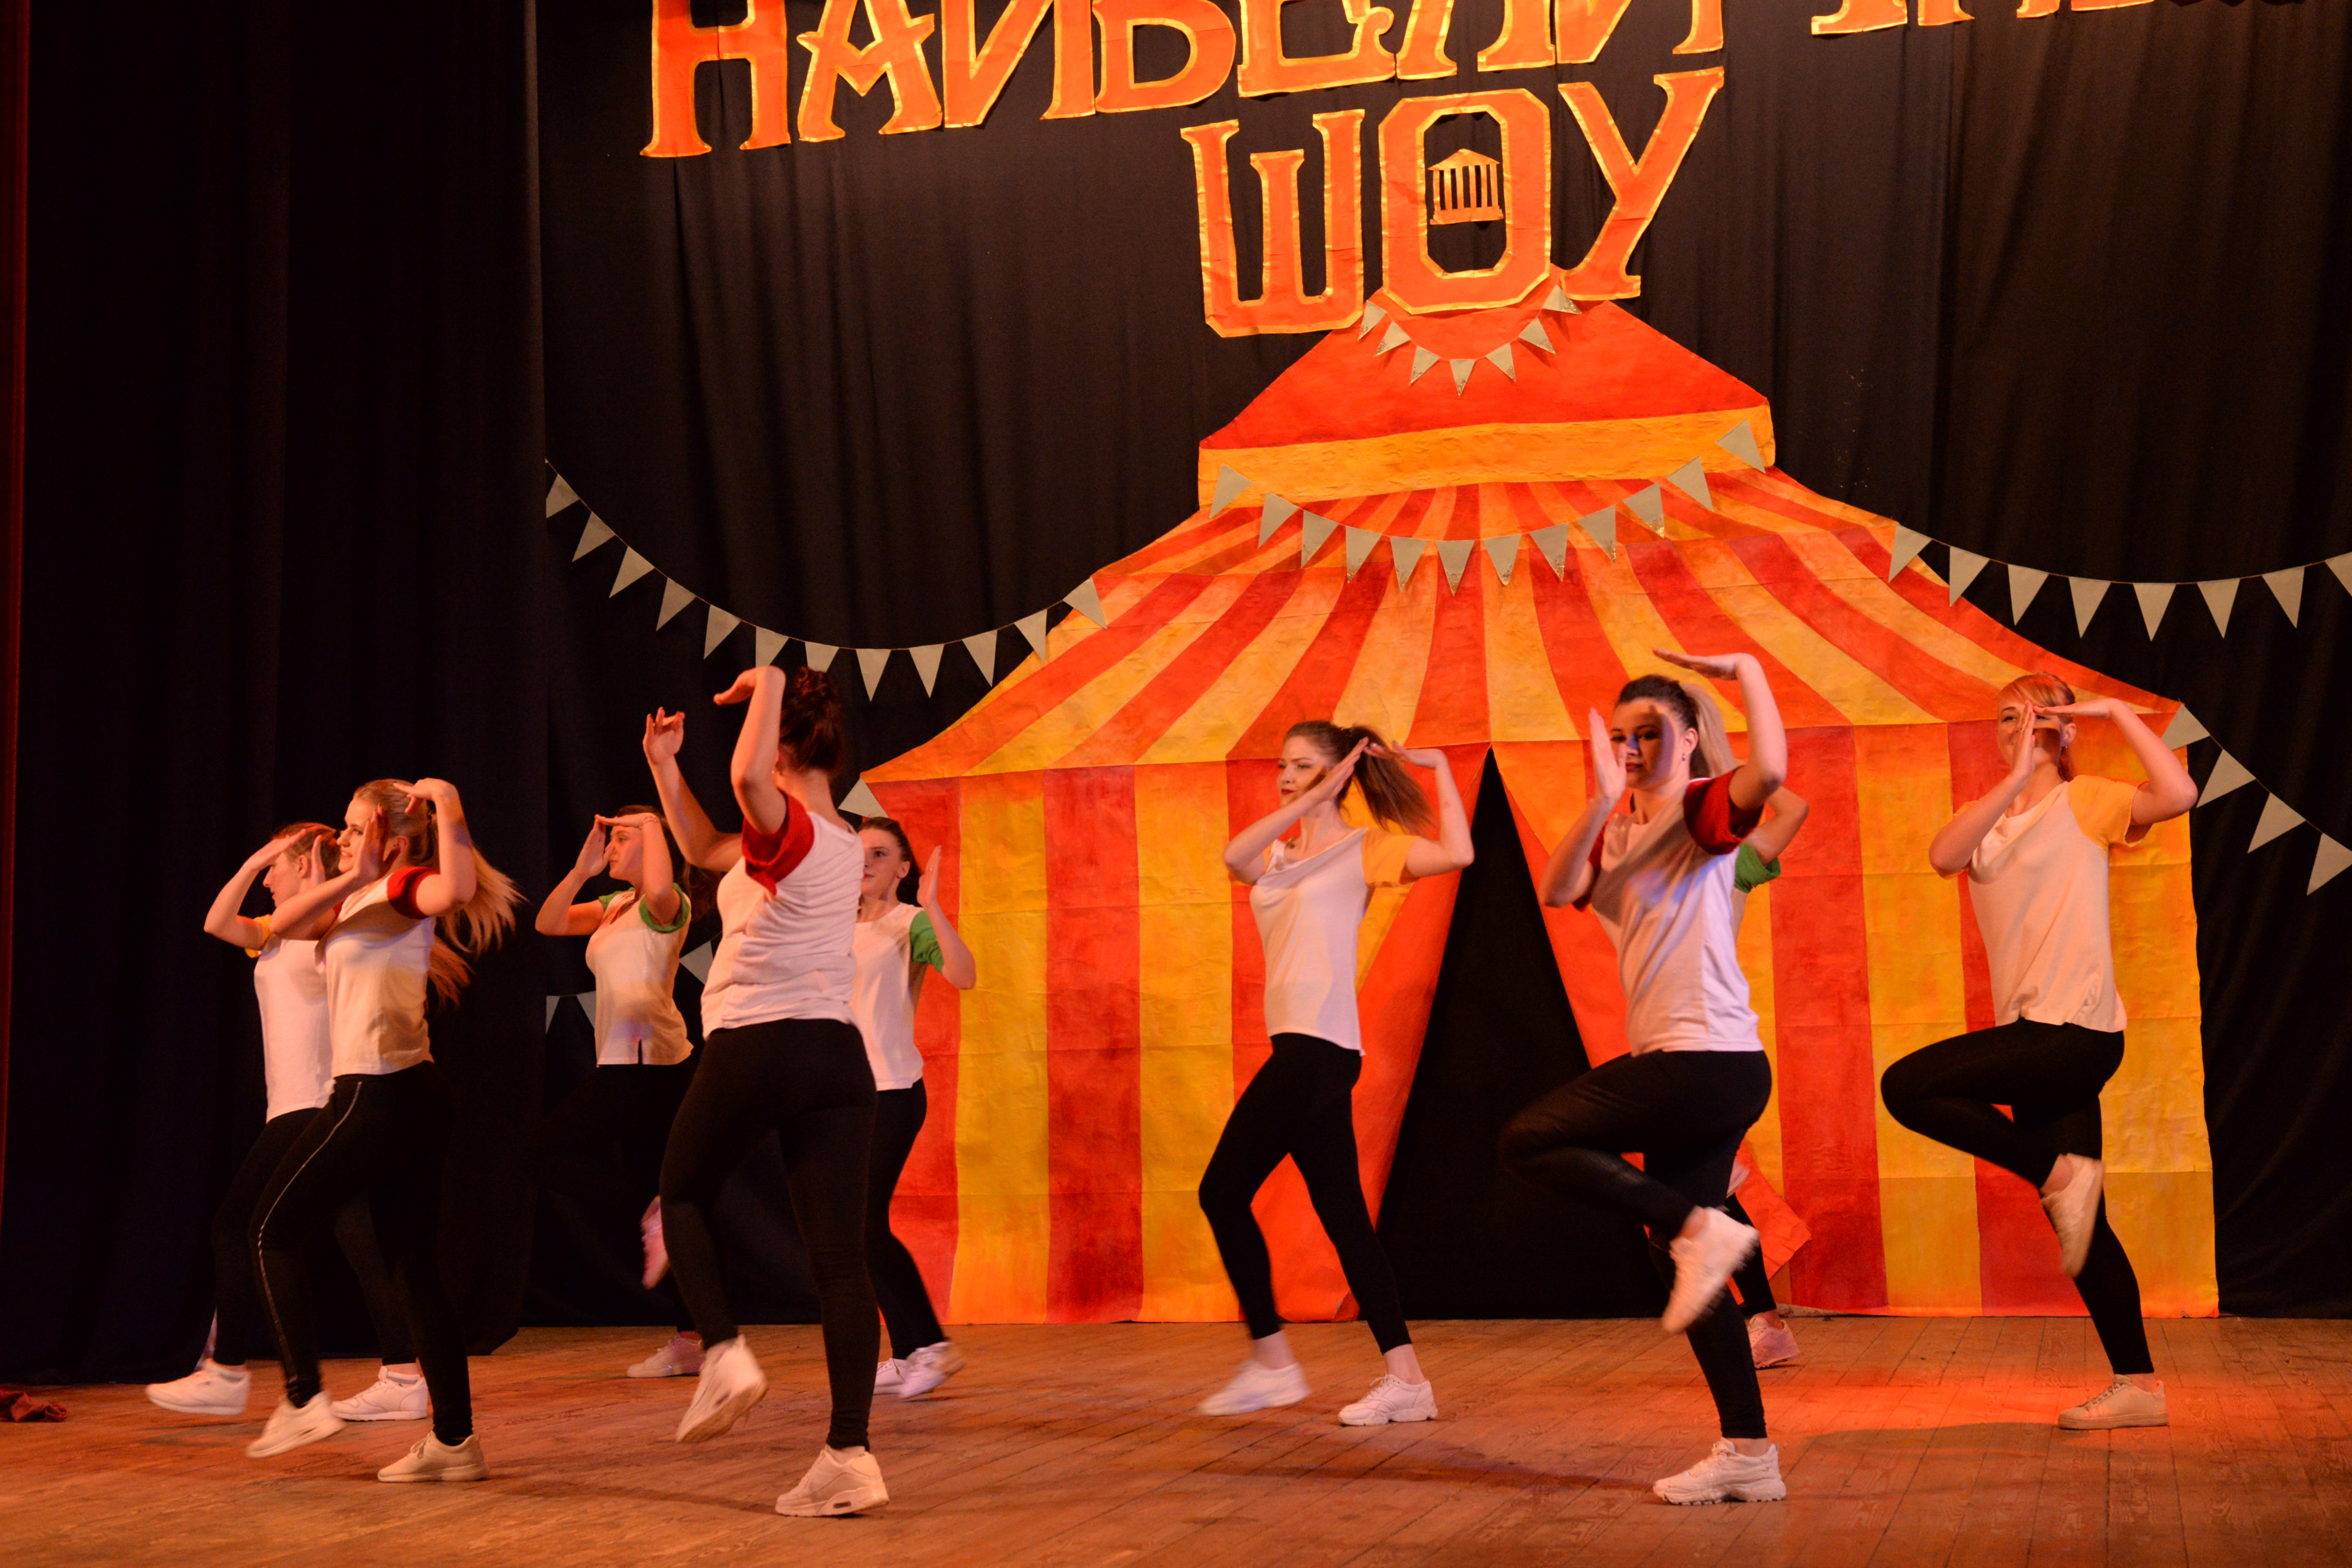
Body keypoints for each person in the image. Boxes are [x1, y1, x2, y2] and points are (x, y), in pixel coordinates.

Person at [1508, 651, 1791, 1506]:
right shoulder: (1621, 829)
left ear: (1690, 739)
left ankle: (1702, 1227)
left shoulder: (1698, 810)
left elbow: (1772, 773)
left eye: (1651, 734)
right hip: (1696, 1064)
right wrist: (1600, 798)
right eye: (1622, 736)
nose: (1633, 749)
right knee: (1680, 1259)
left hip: (1703, 1060)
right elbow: (1558, 886)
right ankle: (1749, 1451)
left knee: (1529, 1139)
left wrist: (1744, 670)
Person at [1883, 673, 2196, 1430]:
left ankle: (2059, 1174)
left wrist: (2113, 711)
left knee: (1906, 1085)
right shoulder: (1985, 819)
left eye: (2040, 715)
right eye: (2008, 717)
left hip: (2077, 1032)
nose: (2021, 726)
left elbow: (2179, 794)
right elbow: (1943, 856)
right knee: (2081, 1224)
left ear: (2068, 728)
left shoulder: (2086, 801)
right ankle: (2139, 1386)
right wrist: (2016, 776)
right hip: (2034, 1036)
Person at [640, 667, 887, 1517]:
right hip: (835, 1058)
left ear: (780, 748)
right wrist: (664, 765)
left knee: (681, 1192)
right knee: (840, 1262)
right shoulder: (837, 838)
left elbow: (748, 780)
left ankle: (722, 1352)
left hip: (763, 1039)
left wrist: (773, 678)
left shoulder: (794, 825)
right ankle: (850, 1455)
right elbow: (706, 847)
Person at [1198, 721, 1472, 1426]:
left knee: (1221, 1191)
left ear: (1339, 773)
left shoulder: (1364, 848)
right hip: (1304, 1048)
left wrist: (1440, 766)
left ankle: (1273, 1364)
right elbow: (1234, 855)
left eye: (1304, 766)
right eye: (1283, 767)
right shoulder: (1277, 855)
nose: (1287, 778)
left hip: (1317, 1050)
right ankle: (1408, 1380)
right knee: (1346, 1219)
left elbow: (1458, 853)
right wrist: (1308, 800)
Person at [246, 778, 518, 1483]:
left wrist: (449, 802)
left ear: (390, 838)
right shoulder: (358, 895)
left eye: (351, 826)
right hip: (405, 1094)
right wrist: (352, 875)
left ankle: (304, 1397)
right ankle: (455, 1442)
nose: (340, 837)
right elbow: (282, 926)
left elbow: (457, 888)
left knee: (272, 1231)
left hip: (379, 1093)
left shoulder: (406, 887)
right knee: (412, 1268)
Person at [146, 826, 425, 1424]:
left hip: (315, 1103)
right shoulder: (277, 932)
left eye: (276, 866)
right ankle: (404, 1374)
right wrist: (253, 861)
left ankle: (227, 1371)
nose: (268, 878)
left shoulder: (329, 926)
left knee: (237, 1226)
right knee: (360, 1239)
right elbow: (218, 922)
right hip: (294, 1105)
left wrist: (321, 875)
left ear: (303, 865)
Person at [531, 807, 706, 1380]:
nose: (610, 846)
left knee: (543, 1152)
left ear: (654, 847)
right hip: (627, 1062)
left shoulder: (668, 904)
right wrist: (582, 870)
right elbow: (549, 922)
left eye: (621, 838)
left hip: (650, 1064)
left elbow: (659, 886)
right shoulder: (614, 906)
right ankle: (691, 1339)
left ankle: (656, 1220)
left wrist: (652, 823)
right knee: (670, 1205)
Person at [851, 819, 976, 1401]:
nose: (865, 862)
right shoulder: (830, 925)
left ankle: (931, 1342)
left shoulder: (909, 923)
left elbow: (964, 975)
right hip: (844, 1097)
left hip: (892, 1091)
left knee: (862, 1221)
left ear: (903, 868)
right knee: (857, 1228)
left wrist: (933, 908)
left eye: (880, 854)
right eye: (858, 853)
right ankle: (907, 1353)